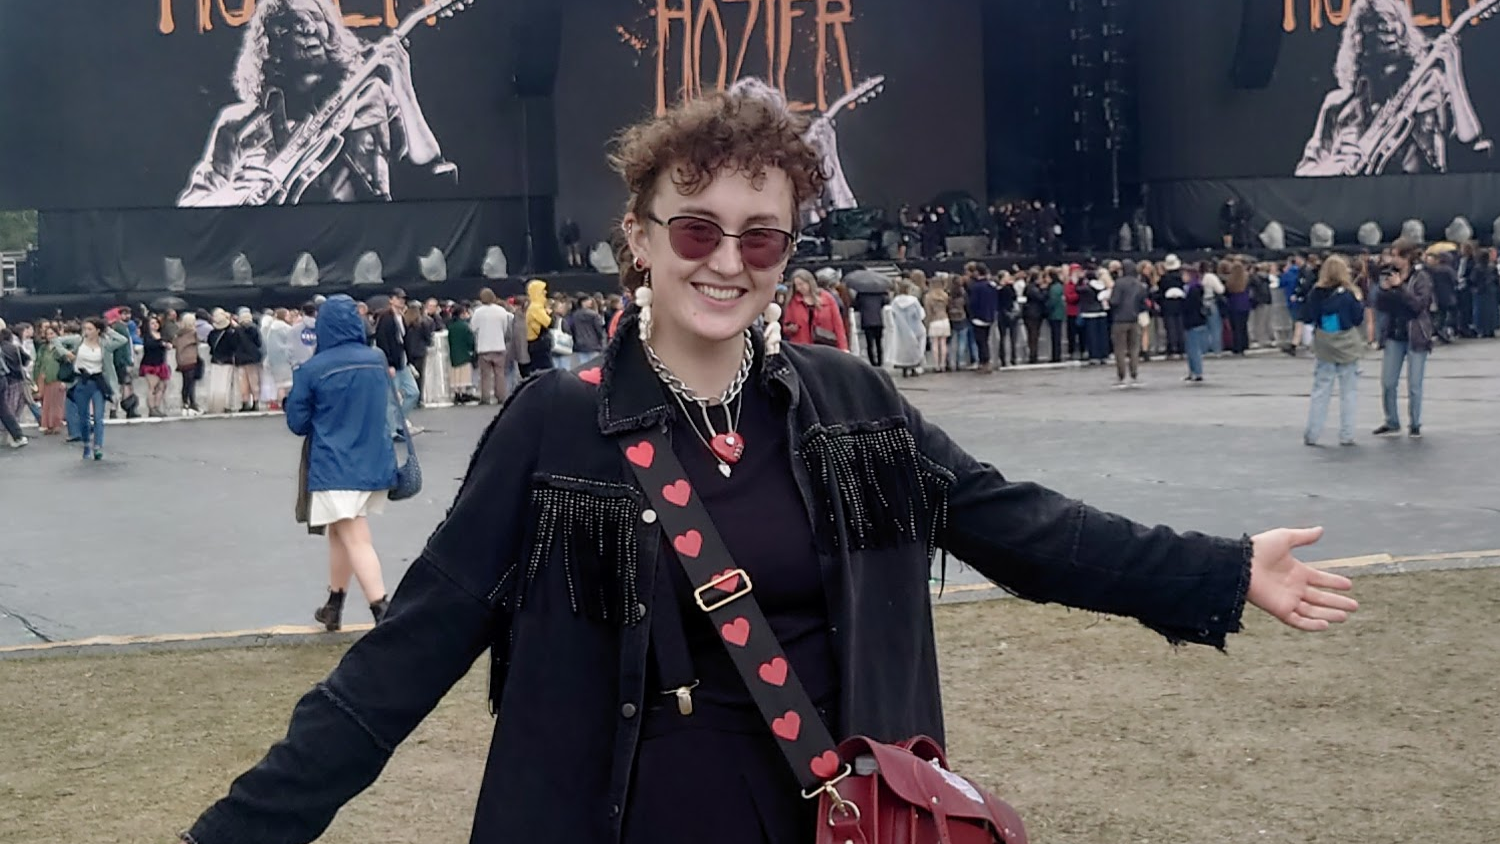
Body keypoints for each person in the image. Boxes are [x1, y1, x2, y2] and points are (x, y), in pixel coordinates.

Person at [181, 86, 1357, 844]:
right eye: (695, 228)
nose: (725, 260)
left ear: (788, 250)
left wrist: (1216, 567)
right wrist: (235, 833)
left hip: (834, 821)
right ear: (638, 236)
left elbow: (1020, 527)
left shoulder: (849, 406)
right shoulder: (554, 423)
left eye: (761, 235)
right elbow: (406, 656)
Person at [178, 0, 455, 207]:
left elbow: (428, 166)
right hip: (275, 258)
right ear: (269, 43)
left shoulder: (371, 95)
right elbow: (191, 205)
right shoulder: (235, 123)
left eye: (316, 17)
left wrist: (402, 81)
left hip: (365, 251)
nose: (308, 27)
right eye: (293, 21)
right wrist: (236, 192)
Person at [286, 295, 395, 632]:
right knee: (341, 533)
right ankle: (334, 604)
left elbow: (297, 422)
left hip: (335, 464)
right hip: (375, 461)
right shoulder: (376, 359)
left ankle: (384, 612)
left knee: (355, 536)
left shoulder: (313, 369)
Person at [1297, 0, 1486, 177]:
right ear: (1360, 53)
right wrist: (1335, 164)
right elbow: (1304, 171)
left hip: (1422, 201)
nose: (1383, 73)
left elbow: (1470, 139)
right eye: (1374, 62)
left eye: (1390, 61)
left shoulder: (1428, 86)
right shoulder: (1337, 105)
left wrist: (1453, 71)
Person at [1302, 255, 1366, 447]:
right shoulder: (1348, 294)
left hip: (1325, 344)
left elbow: (1308, 316)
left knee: (1321, 389)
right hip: (1346, 343)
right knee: (1348, 391)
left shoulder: (1316, 292)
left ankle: (1312, 433)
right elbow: (1357, 319)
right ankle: (1346, 434)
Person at [1374, 239, 1434, 438]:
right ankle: (1391, 420)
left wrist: (1400, 288)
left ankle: (1415, 422)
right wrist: (1385, 289)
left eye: (1397, 255)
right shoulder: (1389, 274)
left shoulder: (1421, 277)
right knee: (1388, 382)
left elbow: (1419, 306)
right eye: (1392, 255)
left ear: (1407, 257)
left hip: (1416, 334)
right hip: (1394, 333)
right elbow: (1380, 305)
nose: (1393, 259)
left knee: (1415, 383)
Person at [53, 318, 129, 460]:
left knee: (99, 417)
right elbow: (56, 341)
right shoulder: (78, 341)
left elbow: (122, 340)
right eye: (85, 329)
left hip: (98, 382)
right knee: (84, 417)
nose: (86, 332)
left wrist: (108, 330)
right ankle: (87, 443)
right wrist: (65, 353)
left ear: (97, 331)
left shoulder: (105, 345)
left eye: (90, 329)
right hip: (82, 381)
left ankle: (98, 447)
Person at [782, 268, 849, 352]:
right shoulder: (793, 302)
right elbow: (785, 326)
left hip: (825, 346)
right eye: (797, 286)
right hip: (802, 348)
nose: (799, 288)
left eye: (801, 284)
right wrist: (790, 329)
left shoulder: (827, 298)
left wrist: (843, 347)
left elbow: (838, 324)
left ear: (809, 282)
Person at [1108, 260, 1148, 388]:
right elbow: (1143, 302)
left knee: (1120, 348)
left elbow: (1115, 301)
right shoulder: (1139, 284)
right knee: (1134, 348)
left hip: (1120, 319)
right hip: (1134, 318)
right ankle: (1134, 373)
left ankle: (1121, 375)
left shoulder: (1119, 283)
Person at [470, 287, 513, 405]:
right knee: (500, 373)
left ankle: (485, 397)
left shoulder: (478, 312)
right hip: (499, 345)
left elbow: (473, 328)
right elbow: (505, 328)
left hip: (484, 347)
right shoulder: (501, 311)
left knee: (485, 375)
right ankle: (501, 396)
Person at [888, 280, 927, 377]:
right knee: (916, 347)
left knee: (903, 348)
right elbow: (920, 315)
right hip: (915, 327)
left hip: (901, 329)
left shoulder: (895, 302)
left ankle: (904, 369)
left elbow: (892, 314)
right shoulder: (913, 300)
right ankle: (914, 367)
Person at [139, 316, 173, 418]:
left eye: (156, 323)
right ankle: (152, 408)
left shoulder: (161, 335)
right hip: (150, 364)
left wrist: (167, 344)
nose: (155, 325)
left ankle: (157, 406)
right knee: (152, 387)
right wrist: (161, 344)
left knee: (162, 386)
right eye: (152, 323)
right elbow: (149, 345)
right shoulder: (147, 336)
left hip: (161, 363)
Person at [522, 279, 555, 376]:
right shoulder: (536, 308)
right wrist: (550, 313)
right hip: (539, 344)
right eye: (542, 290)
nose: (545, 292)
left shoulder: (534, 306)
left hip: (536, 344)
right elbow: (550, 323)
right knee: (545, 371)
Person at [173, 313, 203, 416]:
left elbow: (174, 344)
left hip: (181, 360)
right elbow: (198, 342)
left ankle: (185, 403)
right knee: (191, 383)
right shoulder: (193, 332)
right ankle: (192, 403)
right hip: (191, 359)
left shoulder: (178, 334)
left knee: (185, 383)